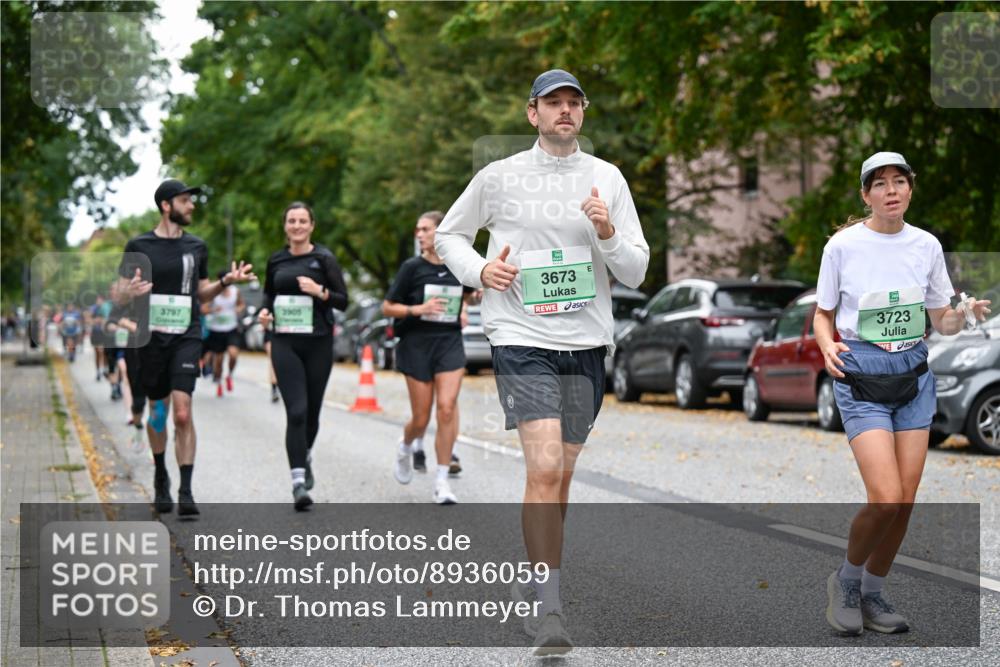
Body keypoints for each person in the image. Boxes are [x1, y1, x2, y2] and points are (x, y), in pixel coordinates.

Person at [435, 69, 649, 654]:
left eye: (573, 103)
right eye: (553, 103)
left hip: (585, 342)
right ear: (532, 113)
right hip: (520, 332)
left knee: (561, 477)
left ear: (582, 113)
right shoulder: (499, 177)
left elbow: (636, 268)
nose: (564, 111)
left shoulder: (606, 178)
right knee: (546, 466)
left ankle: (536, 583)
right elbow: (449, 236)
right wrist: (480, 271)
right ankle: (549, 609)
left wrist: (605, 231)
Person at [815, 151, 991, 636]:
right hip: (862, 377)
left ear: (910, 188)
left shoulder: (926, 246)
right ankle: (846, 582)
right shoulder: (843, 246)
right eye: (880, 183)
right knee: (886, 497)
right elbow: (822, 313)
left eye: (899, 181)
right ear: (866, 194)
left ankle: (872, 592)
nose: (891, 190)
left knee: (906, 500)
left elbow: (943, 321)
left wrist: (967, 313)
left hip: (913, 375)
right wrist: (828, 344)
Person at [116, 178, 256, 517]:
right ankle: (161, 474)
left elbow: (200, 293)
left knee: (182, 411)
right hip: (151, 338)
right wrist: (129, 293)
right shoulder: (139, 245)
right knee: (159, 412)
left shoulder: (197, 247)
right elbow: (117, 296)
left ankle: (186, 488)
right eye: (185, 200)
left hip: (186, 334)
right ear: (166, 205)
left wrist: (225, 282)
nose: (191, 205)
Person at [258, 202, 348, 510]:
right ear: (285, 226)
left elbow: (343, 301)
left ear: (311, 226)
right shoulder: (276, 260)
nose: (296, 225)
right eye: (291, 221)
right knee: (295, 411)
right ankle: (298, 481)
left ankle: (304, 454)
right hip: (285, 342)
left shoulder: (323, 259)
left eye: (302, 221)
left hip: (318, 343)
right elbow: (269, 295)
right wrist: (265, 313)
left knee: (311, 413)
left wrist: (320, 292)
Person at [384, 211, 475, 505]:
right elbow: (388, 307)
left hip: (448, 342)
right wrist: (416, 310)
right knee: (421, 418)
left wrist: (472, 301)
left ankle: (442, 482)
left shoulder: (458, 266)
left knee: (446, 409)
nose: (419, 234)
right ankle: (406, 445)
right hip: (416, 344)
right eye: (417, 229)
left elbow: (470, 294)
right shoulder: (412, 268)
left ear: (441, 231)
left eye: (425, 229)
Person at [203, 270, 245, 397]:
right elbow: (203, 309)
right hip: (216, 330)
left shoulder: (235, 291)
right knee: (219, 361)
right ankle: (219, 382)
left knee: (233, 354)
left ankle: (230, 375)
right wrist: (213, 309)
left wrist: (238, 309)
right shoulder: (214, 293)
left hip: (231, 328)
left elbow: (241, 304)